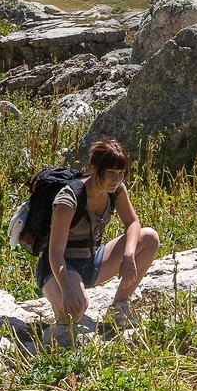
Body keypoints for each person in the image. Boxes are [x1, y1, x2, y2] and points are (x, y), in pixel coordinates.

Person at [38, 137, 159, 329]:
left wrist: (129, 255)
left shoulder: (116, 190)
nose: (116, 179)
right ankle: (60, 305)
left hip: (91, 262)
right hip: (60, 268)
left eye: (121, 173)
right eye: (110, 172)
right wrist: (67, 290)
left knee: (149, 238)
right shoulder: (69, 199)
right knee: (74, 311)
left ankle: (119, 305)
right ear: (94, 168)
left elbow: (132, 222)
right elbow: (55, 253)